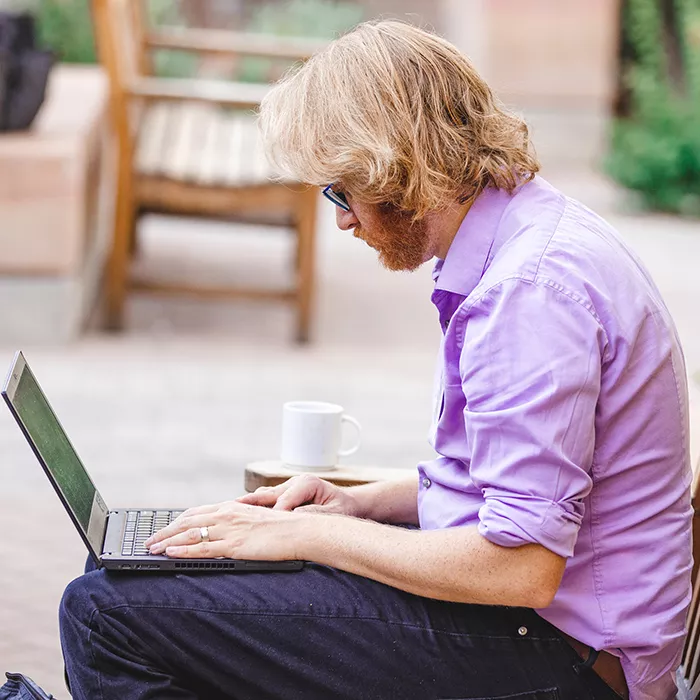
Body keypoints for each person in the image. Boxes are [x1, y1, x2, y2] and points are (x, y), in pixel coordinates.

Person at [59, 20, 693, 700]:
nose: (343, 219)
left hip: (563, 658)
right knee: (119, 581)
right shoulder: (525, 235)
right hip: (545, 628)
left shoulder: (529, 296)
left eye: (342, 189)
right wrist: (355, 508)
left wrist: (303, 539)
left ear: (399, 168)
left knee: (104, 616)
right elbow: (510, 493)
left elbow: (522, 566)